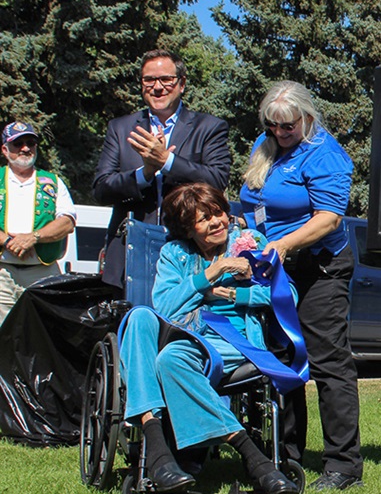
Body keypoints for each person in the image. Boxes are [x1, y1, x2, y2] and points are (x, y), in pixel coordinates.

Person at [117, 182, 299, 494]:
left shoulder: (251, 242)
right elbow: (166, 306)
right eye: (204, 219)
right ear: (188, 229)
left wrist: (238, 294)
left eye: (218, 213)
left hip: (233, 341)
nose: (216, 222)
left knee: (169, 359)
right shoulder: (174, 254)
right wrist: (216, 271)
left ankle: (165, 458)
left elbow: (287, 294)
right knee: (142, 319)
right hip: (187, 335)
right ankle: (247, 460)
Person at [238, 80, 361, 491]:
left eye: (287, 125)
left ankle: (343, 466)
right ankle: (283, 455)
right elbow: (254, 200)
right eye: (272, 125)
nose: (280, 132)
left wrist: (282, 244)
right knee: (279, 363)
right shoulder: (268, 143)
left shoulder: (326, 154)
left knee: (328, 363)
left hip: (318, 268)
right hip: (275, 269)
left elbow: (328, 218)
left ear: (308, 115)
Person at [93, 49, 231, 291]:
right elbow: (101, 190)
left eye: (166, 79)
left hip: (187, 252)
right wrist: (144, 173)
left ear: (182, 84)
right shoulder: (120, 128)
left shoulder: (209, 127)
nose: (158, 87)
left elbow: (217, 179)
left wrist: (167, 161)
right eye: (149, 80)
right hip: (129, 252)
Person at [0, 122, 76, 325]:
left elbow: (67, 222)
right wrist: (9, 242)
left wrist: (32, 238)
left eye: (31, 142)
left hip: (42, 272)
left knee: (42, 334)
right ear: (5, 149)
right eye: (18, 143)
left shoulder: (52, 181)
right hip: (2, 273)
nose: (25, 148)